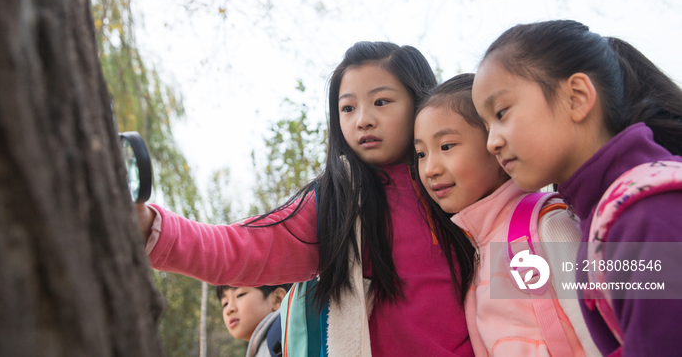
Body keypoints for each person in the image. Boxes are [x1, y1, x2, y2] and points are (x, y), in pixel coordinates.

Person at [137, 41, 475, 356]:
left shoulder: (470, 184)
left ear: (418, 100)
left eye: (381, 102)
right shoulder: (338, 205)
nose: (363, 120)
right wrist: (150, 229)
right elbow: (242, 248)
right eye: (347, 108)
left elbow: (516, 289)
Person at [472, 19, 682, 356]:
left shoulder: (646, 216)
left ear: (577, 97)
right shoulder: (604, 214)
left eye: (501, 112)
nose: (491, 143)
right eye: (485, 126)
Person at [414, 74, 599, 356]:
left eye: (446, 146)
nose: (430, 169)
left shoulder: (547, 223)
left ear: (495, 144)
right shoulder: (477, 247)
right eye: (421, 154)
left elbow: (596, 329)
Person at [217, 285, 290, 357]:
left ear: (277, 299)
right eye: (225, 303)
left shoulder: (285, 335)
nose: (229, 309)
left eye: (240, 295)